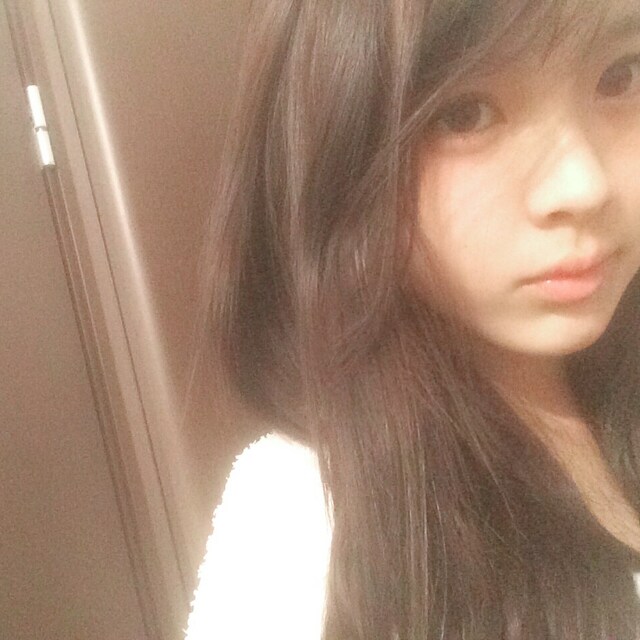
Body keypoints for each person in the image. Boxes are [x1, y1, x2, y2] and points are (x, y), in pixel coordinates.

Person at [185, 0, 640, 638]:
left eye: (620, 76)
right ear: (339, 155)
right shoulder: (305, 516)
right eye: (464, 114)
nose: (584, 186)